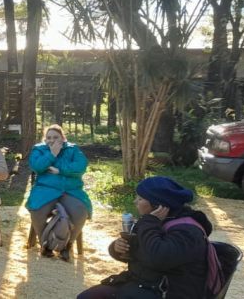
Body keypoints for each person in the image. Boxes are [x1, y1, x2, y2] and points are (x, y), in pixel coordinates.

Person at [77, 177, 214, 299]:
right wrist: (117, 248)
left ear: (158, 205)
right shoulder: (155, 221)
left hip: (168, 292)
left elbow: (157, 259)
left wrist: (149, 222)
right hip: (144, 285)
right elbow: (141, 251)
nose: (135, 201)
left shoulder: (187, 231)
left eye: (141, 198)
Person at [27, 124, 91, 262]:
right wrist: (52, 154)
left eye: (55, 137)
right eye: (49, 137)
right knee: (37, 211)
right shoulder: (39, 149)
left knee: (81, 212)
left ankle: (67, 245)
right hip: (45, 189)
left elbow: (80, 166)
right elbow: (37, 166)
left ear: (63, 138)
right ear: (45, 139)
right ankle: (46, 245)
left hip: (71, 190)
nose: (52, 140)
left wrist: (59, 169)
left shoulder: (73, 149)